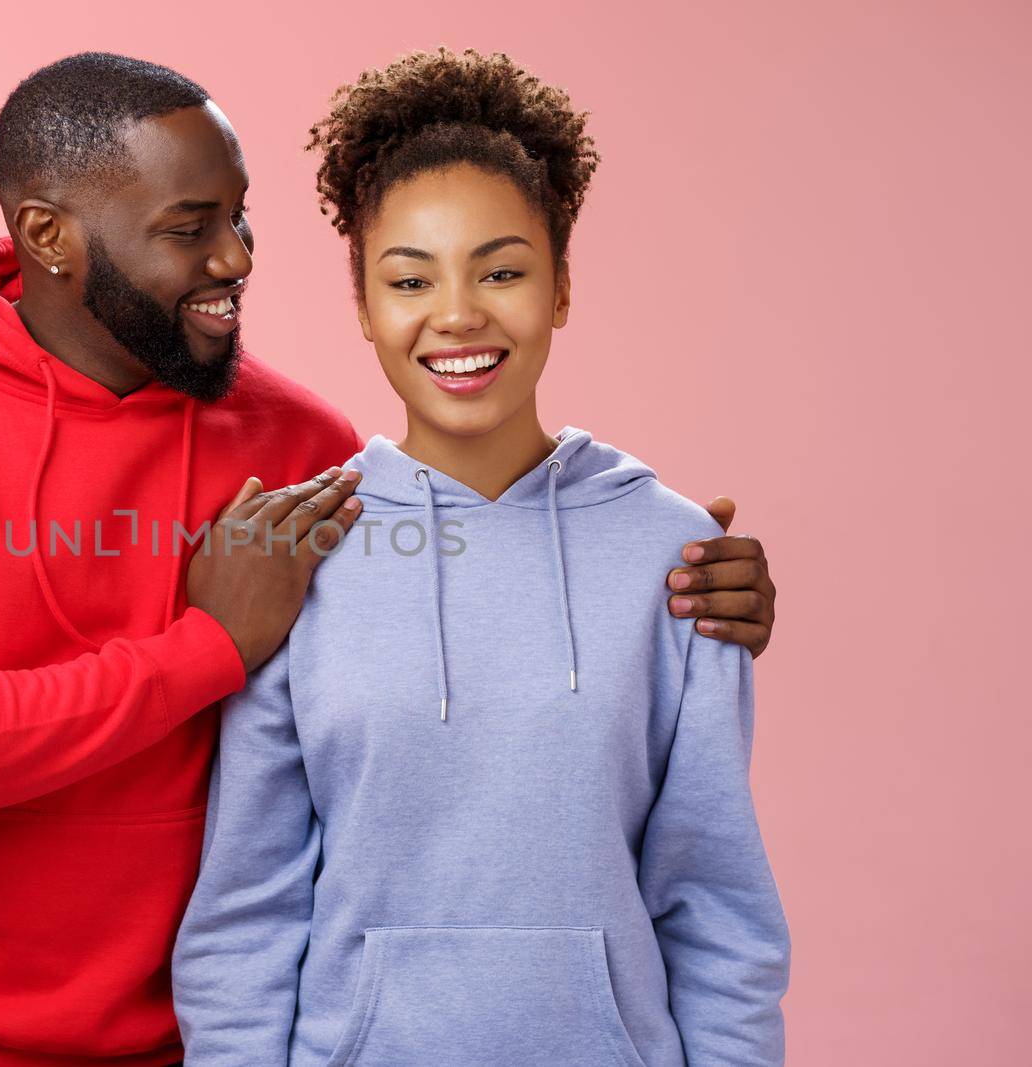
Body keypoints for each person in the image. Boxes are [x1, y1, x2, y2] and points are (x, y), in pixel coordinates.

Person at [0, 52, 780, 1067]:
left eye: (239, 217)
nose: (235, 258)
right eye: (190, 227)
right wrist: (206, 645)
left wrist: (675, 579)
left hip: (176, 1043)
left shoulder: (298, 449)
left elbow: (465, 599)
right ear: (49, 237)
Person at [171, 49, 791, 1066]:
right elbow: (246, 912)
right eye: (409, 278)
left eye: (500, 270)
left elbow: (717, 906)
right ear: (364, 309)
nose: (456, 313)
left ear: (559, 287)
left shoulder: (671, 551)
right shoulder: (301, 552)